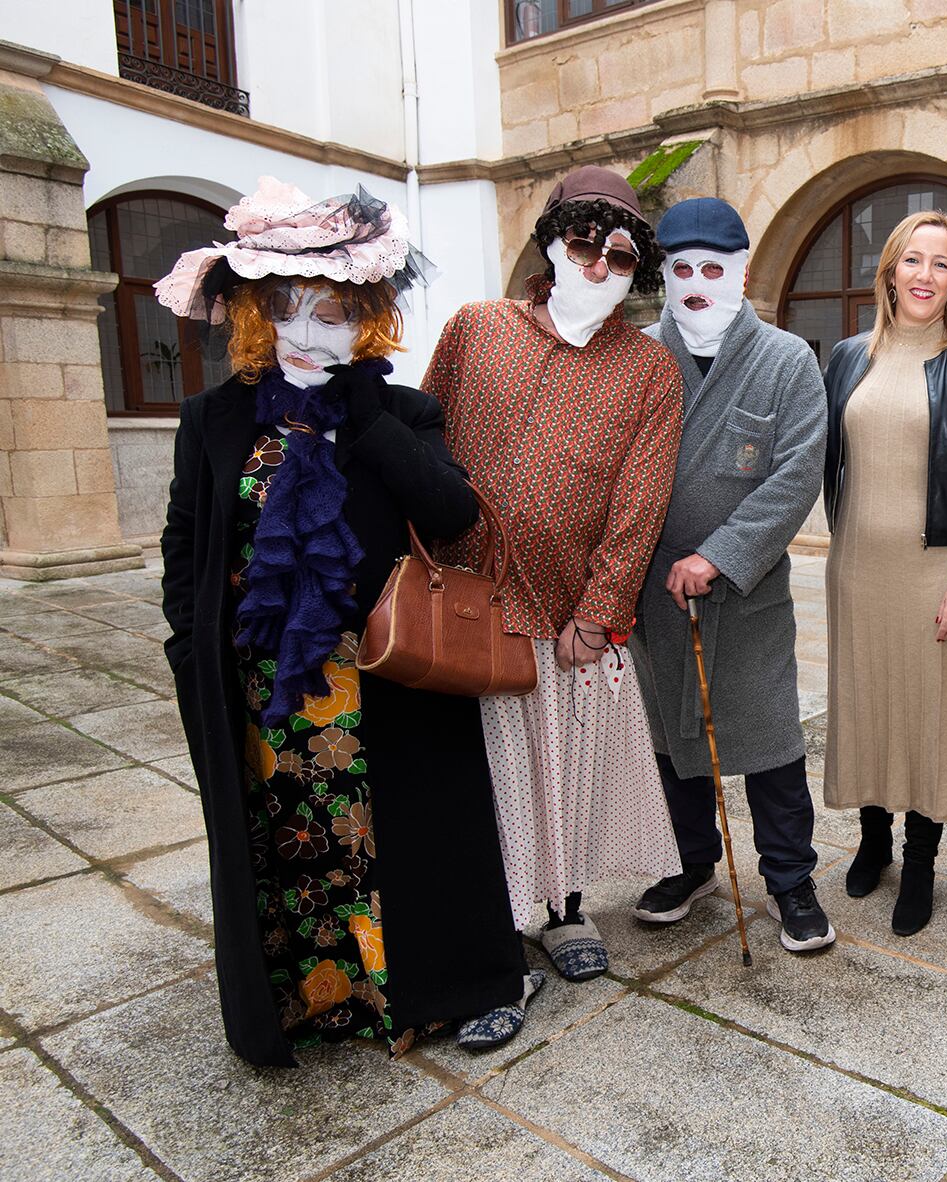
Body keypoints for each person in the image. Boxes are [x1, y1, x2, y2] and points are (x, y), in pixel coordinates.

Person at [157, 178, 533, 1063]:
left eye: (331, 314)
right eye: (284, 309)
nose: (305, 332)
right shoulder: (212, 420)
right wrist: (187, 638)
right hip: (269, 683)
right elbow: (186, 542)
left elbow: (453, 515)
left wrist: (364, 417)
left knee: (422, 836)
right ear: (252, 313)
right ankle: (318, 1001)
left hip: (391, 671)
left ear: (364, 319)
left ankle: (463, 986)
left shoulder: (402, 411)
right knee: (297, 841)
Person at [423, 165, 685, 992]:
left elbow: (640, 503)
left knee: (564, 773)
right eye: (584, 244)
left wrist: (602, 611)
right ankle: (488, 918)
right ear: (552, 243)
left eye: (619, 254)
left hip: (568, 614)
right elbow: (423, 442)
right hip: (463, 602)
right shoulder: (476, 327)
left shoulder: (649, 371)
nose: (599, 267)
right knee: (475, 777)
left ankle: (566, 907)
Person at [629, 197, 835, 953]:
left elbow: (795, 477)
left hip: (745, 593)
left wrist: (718, 554)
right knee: (672, 739)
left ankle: (791, 880)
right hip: (654, 588)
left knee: (768, 739)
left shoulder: (786, 361)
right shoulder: (639, 357)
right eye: (681, 269)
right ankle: (690, 865)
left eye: (712, 269)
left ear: (741, 273)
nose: (695, 284)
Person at [821, 210, 947, 936]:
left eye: (941, 263)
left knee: (929, 716)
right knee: (870, 702)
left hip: (935, 570)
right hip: (858, 569)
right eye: (913, 260)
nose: (925, 275)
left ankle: (921, 862)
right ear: (890, 270)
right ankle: (873, 840)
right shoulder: (845, 358)